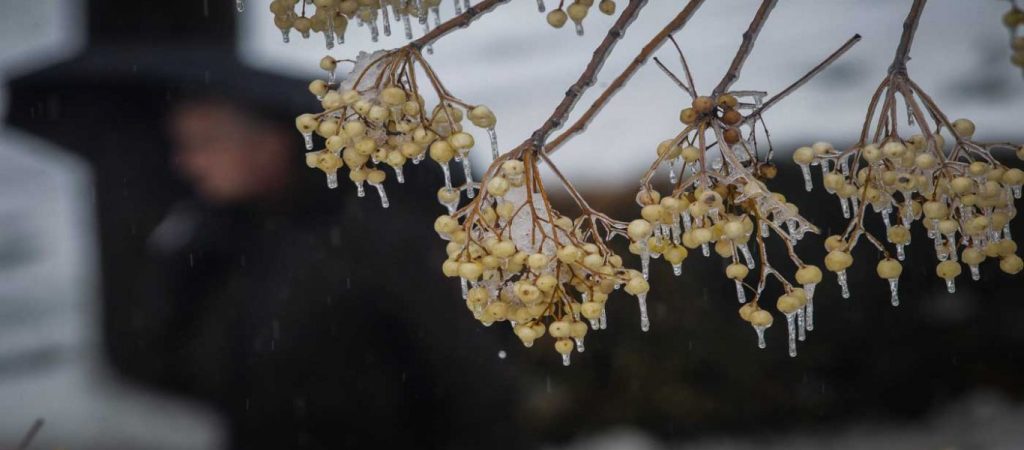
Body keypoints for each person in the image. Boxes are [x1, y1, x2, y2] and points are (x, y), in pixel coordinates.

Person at [7, 1, 528, 448]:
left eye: (203, 141)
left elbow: (475, 385)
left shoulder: (381, 238)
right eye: (179, 145)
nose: (185, 163)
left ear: (270, 137)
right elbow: (173, 367)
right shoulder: (231, 244)